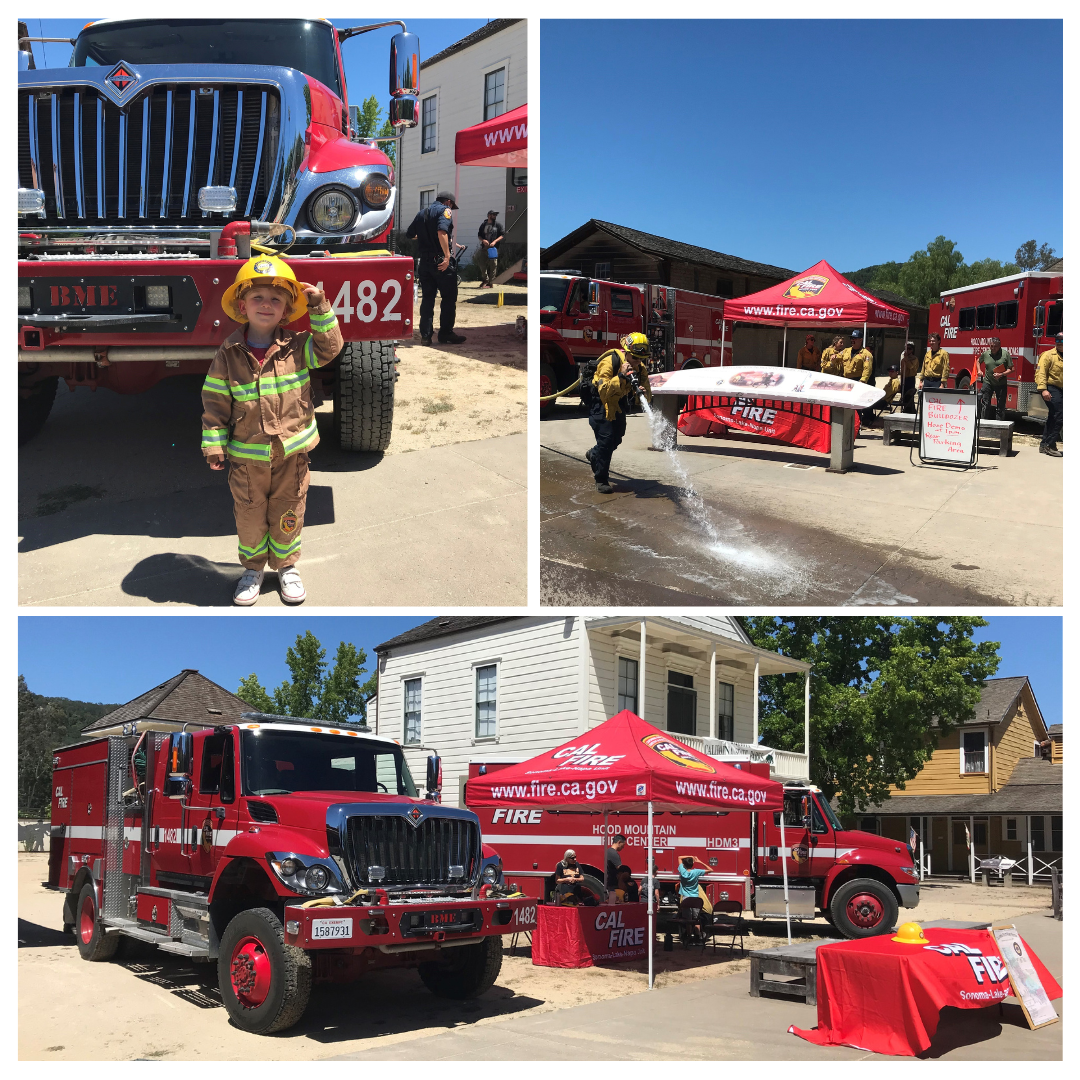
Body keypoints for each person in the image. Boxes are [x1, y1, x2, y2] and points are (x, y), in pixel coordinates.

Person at [201, 256, 341, 606]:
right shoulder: (229, 352)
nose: (266, 305)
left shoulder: (299, 346)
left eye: (276, 299)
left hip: (292, 457)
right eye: (258, 298)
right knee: (249, 517)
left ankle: (287, 568)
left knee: (288, 512)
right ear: (241, 305)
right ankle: (252, 569)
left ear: (287, 309)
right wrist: (214, 444)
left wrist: (320, 306)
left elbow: (331, 348)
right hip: (247, 462)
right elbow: (215, 400)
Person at [586, 332, 653, 494]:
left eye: (641, 359)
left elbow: (648, 397)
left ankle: (594, 454)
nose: (638, 362)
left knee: (617, 437)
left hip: (619, 403)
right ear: (627, 352)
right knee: (606, 441)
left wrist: (641, 393)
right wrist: (621, 375)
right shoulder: (609, 362)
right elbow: (604, 391)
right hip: (601, 404)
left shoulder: (640, 369)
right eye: (635, 358)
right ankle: (601, 479)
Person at [405, 191, 466, 346]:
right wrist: (447, 256)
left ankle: (426, 336)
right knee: (448, 298)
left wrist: (426, 237)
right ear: (448, 202)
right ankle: (445, 333)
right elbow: (442, 232)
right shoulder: (445, 210)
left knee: (427, 299)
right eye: (452, 205)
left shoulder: (421, 213)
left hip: (425, 262)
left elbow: (410, 234)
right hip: (440, 261)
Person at [1035, 332, 1063, 457]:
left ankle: (1043, 445)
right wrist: (1043, 390)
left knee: (1053, 416)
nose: (1060, 343)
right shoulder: (1048, 355)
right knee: (1059, 416)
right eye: (1058, 340)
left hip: (1063, 389)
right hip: (1050, 388)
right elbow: (1040, 373)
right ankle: (1050, 445)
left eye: (1062, 340)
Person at [977, 337, 1014, 421]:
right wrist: (979, 370)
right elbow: (978, 361)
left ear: (999, 346)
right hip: (988, 382)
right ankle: (984, 424)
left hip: (1001, 383)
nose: (993, 348)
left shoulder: (1005, 354)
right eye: (991, 346)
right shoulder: (986, 354)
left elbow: (1012, 369)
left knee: (1000, 407)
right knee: (985, 404)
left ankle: (999, 425)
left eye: (995, 346)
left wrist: (1002, 374)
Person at [477, 210, 504, 288]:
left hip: (493, 248)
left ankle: (491, 282)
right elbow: (479, 235)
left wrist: (495, 242)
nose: (495, 216)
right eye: (493, 215)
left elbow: (502, 235)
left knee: (493, 265)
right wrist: (483, 240)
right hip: (484, 247)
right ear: (489, 215)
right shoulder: (483, 224)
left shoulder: (498, 225)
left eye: (495, 215)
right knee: (482, 263)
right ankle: (485, 279)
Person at [898, 341, 920, 412]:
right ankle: (906, 409)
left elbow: (910, 366)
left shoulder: (914, 358)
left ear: (912, 350)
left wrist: (906, 358)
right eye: (906, 348)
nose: (907, 350)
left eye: (909, 348)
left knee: (910, 395)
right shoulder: (903, 357)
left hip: (910, 378)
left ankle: (911, 410)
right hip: (904, 378)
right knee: (904, 395)